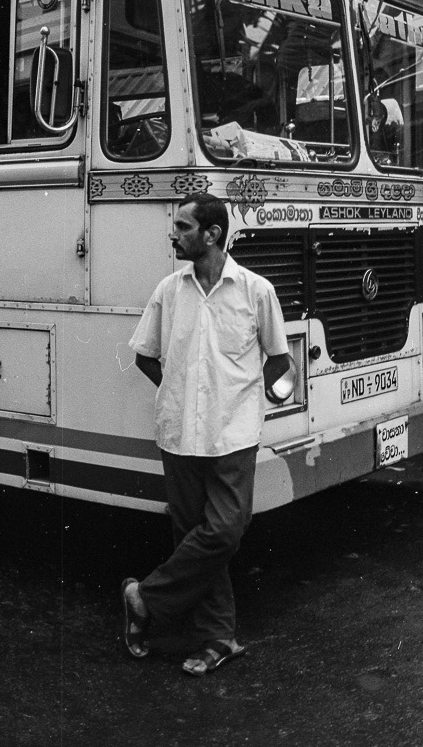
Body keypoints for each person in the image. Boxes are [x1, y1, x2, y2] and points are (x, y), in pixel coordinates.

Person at [123, 192, 290, 676]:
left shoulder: (256, 291)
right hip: (178, 432)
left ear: (212, 234)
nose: (172, 234)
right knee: (192, 536)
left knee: (224, 530)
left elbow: (279, 361)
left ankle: (143, 597)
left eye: (182, 226)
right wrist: (179, 390)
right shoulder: (169, 291)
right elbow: (145, 355)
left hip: (233, 432)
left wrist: (245, 400)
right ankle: (217, 639)